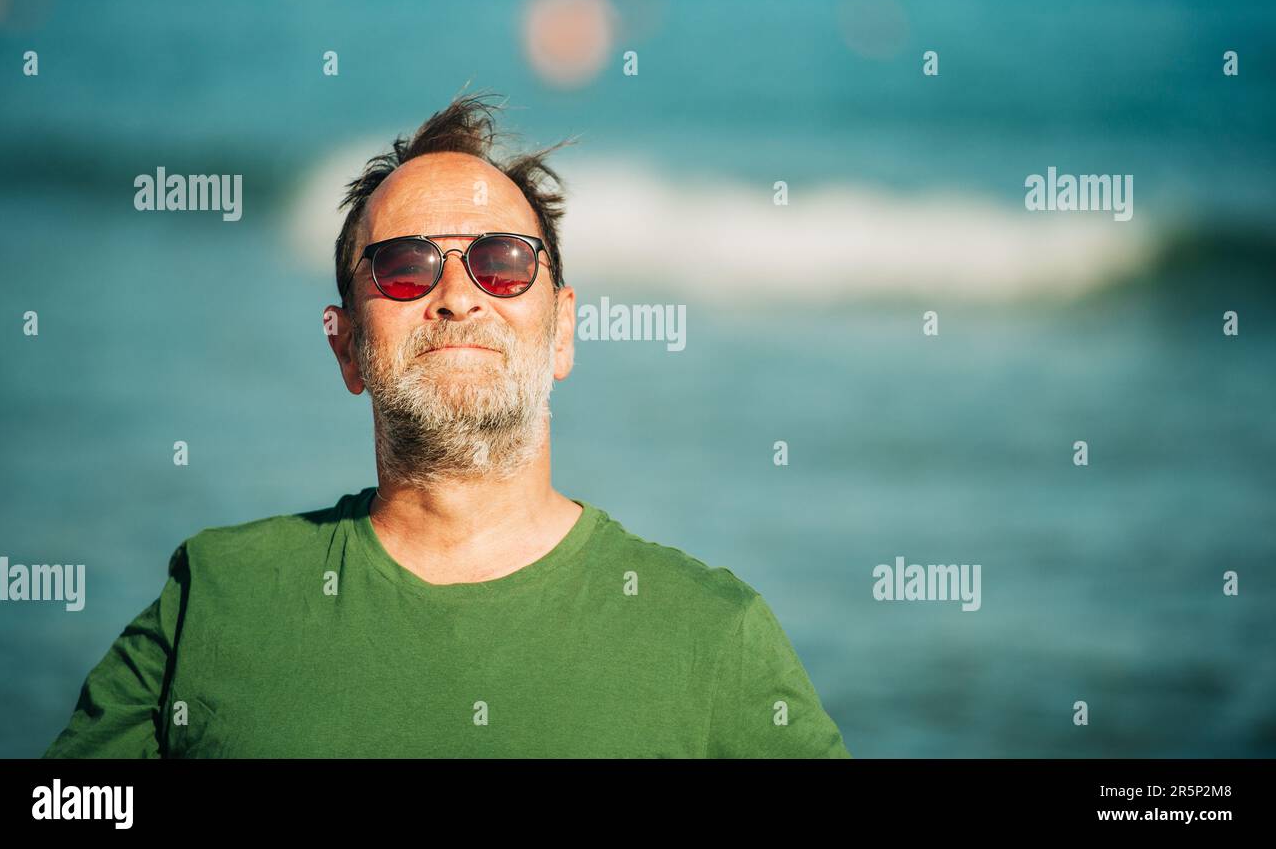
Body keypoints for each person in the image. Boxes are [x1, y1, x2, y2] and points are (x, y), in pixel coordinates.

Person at [42, 90, 851, 758]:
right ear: (347, 347)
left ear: (563, 330)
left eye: (503, 262)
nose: (458, 295)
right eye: (404, 267)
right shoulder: (216, 595)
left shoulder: (712, 633)